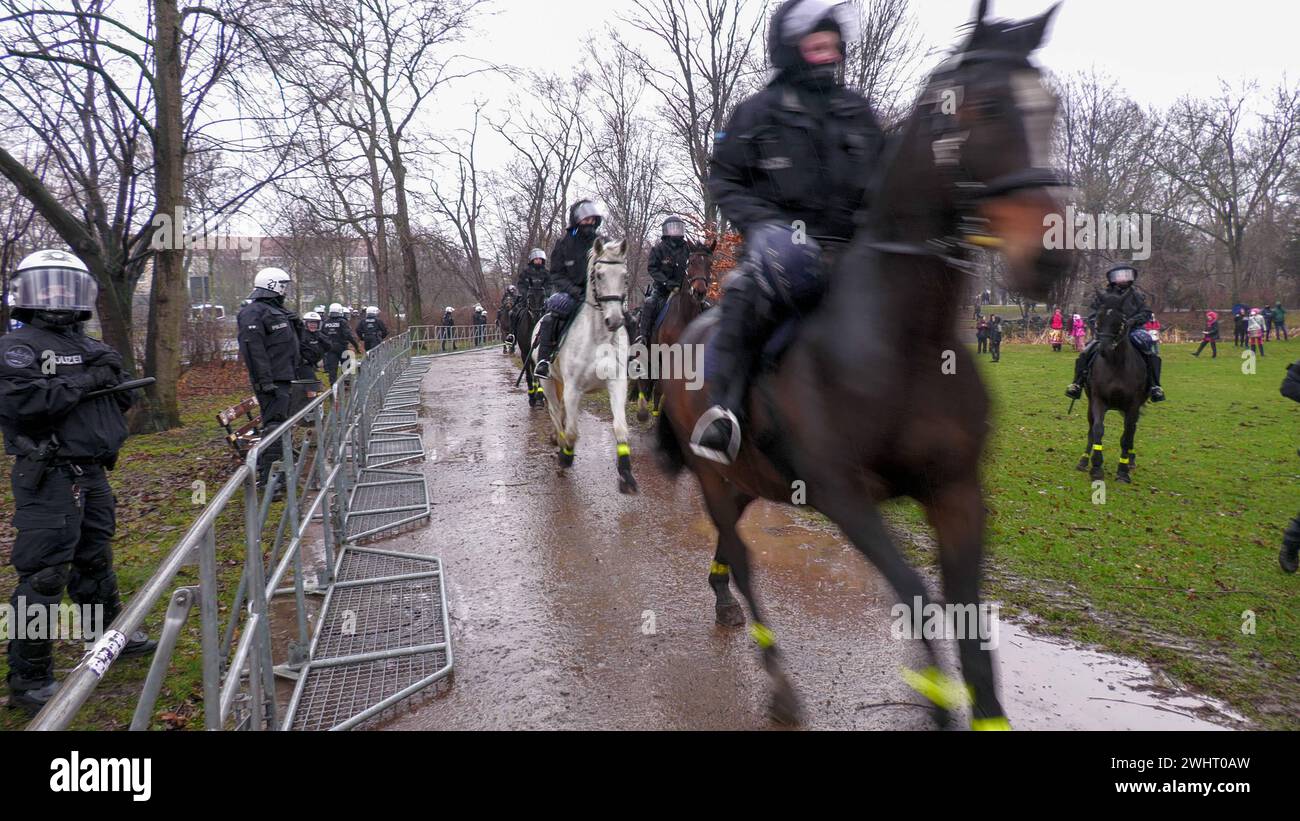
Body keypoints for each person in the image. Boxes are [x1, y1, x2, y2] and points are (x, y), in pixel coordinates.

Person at [689, 0, 884, 463]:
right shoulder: (757, 113)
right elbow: (725, 180)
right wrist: (767, 229)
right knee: (740, 299)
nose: (826, 47)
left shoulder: (856, 111)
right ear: (791, 47)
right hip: (781, 256)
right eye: (814, 40)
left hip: (855, 253)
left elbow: (885, 178)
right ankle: (724, 413)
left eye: (831, 40)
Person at [1, 250, 158, 712]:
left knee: (94, 559)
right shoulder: (19, 346)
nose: (57, 295)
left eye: (65, 286)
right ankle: (28, 679)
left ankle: (105, 638)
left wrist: (98, 381)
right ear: (28, 292)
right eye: (47, 286)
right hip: (48, 474)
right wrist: (88, 382)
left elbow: (118, 392)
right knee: (45, 574)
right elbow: (24, 405)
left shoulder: (89, 345)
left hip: (91, 472)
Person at [237, 267, 303, 486]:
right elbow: (254, 350)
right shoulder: (254, 312)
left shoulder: (277, 311)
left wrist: (297, 325)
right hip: (272, 381)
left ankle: (280, 473)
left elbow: (290, 345)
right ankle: (270, 480)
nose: (285, 291)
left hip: (284, 377)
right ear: (273, 285)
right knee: (274, 427)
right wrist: (265, 381)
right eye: (282, 286)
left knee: (280, 425)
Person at [1065, 264, 1164, 402]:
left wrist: (1133, 321)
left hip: (1133, 330)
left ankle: (1155, 386)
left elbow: (1146, 313)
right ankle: (1077, 383)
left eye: (1125, 275)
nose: (1122, 279)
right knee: (1086, 351)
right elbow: (1093, 313)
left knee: (1150, 351)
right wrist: (1098, 326)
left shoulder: (1136, 295)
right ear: (1112, 278)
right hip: (1108, 333)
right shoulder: (1104, 296)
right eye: (1119, 276)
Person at [534, 200, 605, 379]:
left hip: (600, 294)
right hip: (572, 293)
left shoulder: (603, 242)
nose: (589, 223)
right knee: (552, 317)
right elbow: (556, 274)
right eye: (585, 219)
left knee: (621, 314)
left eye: (592, 219)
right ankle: (544, 361)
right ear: (576, 220)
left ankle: (630, 356)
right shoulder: (564, 244)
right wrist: (575, 291)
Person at [638, 216, 692, 344]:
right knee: (649, 303)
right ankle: (643, 337)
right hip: (662, 289)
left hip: (683, 289)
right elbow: (652, 268)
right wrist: (666, 282)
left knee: (702, 305)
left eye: (678, 228)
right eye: (672, 228)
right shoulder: (658, 249)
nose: (676, 231)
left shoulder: (687, 248)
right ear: (666, 231)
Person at [292, 310, 327, 414]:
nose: (312, 325)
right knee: (312, 385)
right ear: (305, 323)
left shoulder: (318, 334)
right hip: (301, 365)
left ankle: (311, 408)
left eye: (315, 323)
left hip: (310, 365)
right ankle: (311, 409)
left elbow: (328, 345)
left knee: (309, 386)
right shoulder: (301, 335)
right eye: (310, 323)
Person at [319, 302, 359, 384]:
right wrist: (356, 346)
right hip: (342, 347)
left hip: (330, 349)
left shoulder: (326, 322)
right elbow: (348, 335)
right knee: (346, 367)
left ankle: (333, 389)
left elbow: (321, 336)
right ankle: (346, 384)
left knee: (332, 370)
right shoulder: (342, 322)